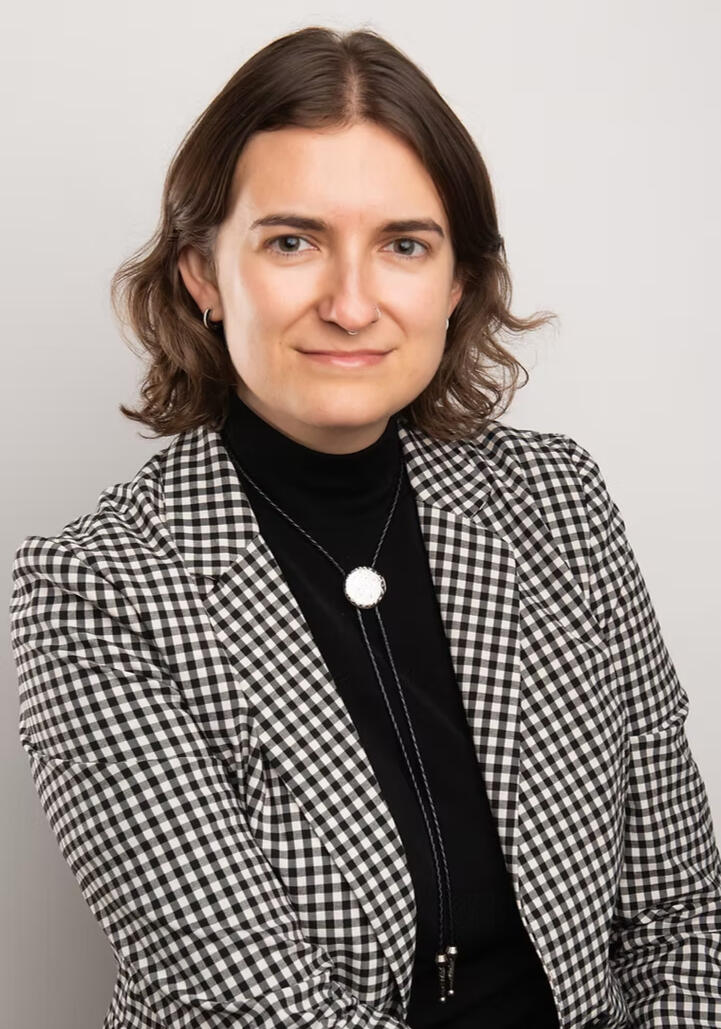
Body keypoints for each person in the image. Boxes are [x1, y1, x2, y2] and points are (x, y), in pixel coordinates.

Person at [9, 24, 721, 1029]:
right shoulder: (96, 587)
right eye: (292, 242)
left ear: (457, 281)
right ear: (203, 275)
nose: (351, 304)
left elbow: (683, 912)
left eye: (402, 246)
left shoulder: (558, 501)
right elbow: (250, 1004)